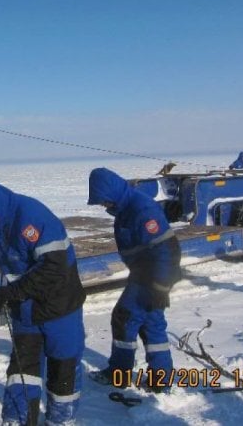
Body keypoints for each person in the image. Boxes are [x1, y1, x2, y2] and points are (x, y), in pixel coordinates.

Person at [0, 177, 86, 426]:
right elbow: (14, 266)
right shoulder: (0, 223)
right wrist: (7, 293)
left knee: (63, 368)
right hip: (26, 311)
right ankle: (16, 419)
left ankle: (60, 420)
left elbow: (54, 266)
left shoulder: (31, 215)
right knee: (21, 369)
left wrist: (11, 292)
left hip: (59, 307)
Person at [86, 168, 181, 392]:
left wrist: (160, 287)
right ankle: (162, 380)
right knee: (152, 322)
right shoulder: (126, 207)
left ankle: (119, 374)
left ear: (112, 192)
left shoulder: (142, 209)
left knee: (124, 317)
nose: (103, 205)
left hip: (150, 276)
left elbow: (167, 250)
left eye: (104, 200)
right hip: (144, 273)